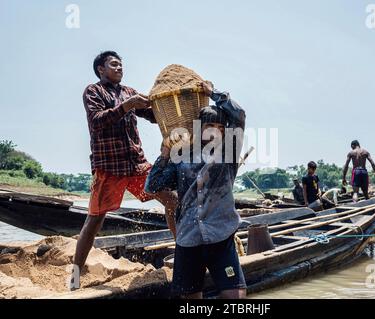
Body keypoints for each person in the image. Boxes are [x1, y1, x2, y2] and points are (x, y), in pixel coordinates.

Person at [70, 51, 178, 290]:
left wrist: (162, 106)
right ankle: (75, 277)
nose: (120, 68)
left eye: (121, 65)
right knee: (94, 221)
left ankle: (184, 254)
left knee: (172, 201)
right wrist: (128, 105)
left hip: (137, 165)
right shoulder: (93, 91)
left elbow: (152, 116)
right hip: (109, 166)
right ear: (101, 69)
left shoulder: (129, 92)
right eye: (114, 64)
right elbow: (97, 121)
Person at [145, 81, 247, 299]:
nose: (217, 133)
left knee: (235, 297)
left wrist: (214, 93)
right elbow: (152, 186)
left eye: (221, 129)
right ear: (199, 129)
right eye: (211, 127)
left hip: (221, 236)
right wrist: (164, 154)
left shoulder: (228, 154)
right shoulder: (180, 157)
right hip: (188, 239)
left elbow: (238, 115)